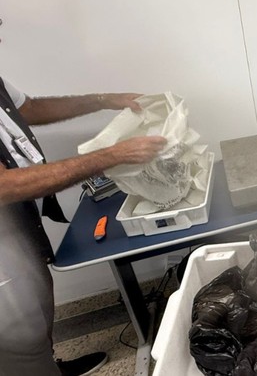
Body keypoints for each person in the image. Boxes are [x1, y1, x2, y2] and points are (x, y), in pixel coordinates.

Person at [0, 76, 167, 376]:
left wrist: (103, 100)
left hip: (18, 220)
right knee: (21, 333)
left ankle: (48, 364)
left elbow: (29, 108)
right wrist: (111, 156)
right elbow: (4, 185)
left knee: (39, 295)